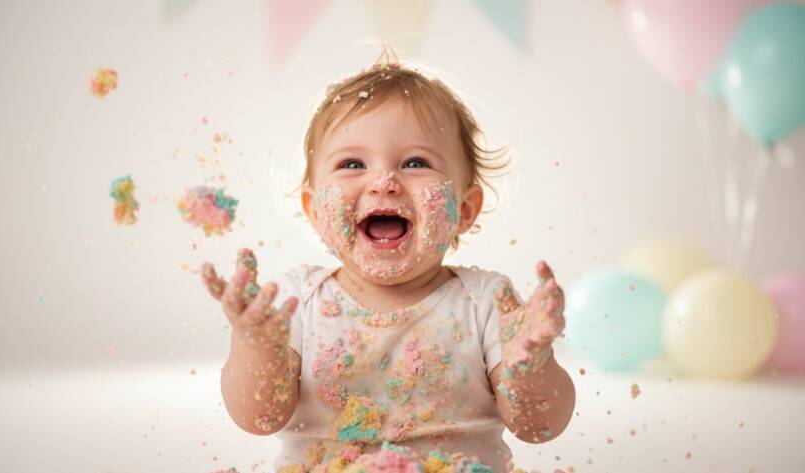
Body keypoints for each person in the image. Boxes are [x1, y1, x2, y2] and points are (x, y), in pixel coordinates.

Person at [201, 51, 575, 473]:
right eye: (352, 164)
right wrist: (255, 347)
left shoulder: (485, 302)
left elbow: (539, 427)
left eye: (416, 163)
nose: (384, 182)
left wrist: (532, 366)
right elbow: (259, 418)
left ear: (464, 208)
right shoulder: (296, 302)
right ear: (313, 207)